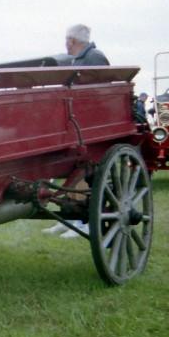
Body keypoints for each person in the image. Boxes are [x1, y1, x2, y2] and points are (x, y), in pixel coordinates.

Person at [45, 25, 110, 238]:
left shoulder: (95, 58)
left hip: (90, 127)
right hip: (77, 125)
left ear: (72, 41)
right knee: (71, 172)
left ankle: (85, 222)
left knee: (84, 173)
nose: (65, 44)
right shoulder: (79, 59)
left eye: (67, 40)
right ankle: (69, 219)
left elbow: (100, 93)